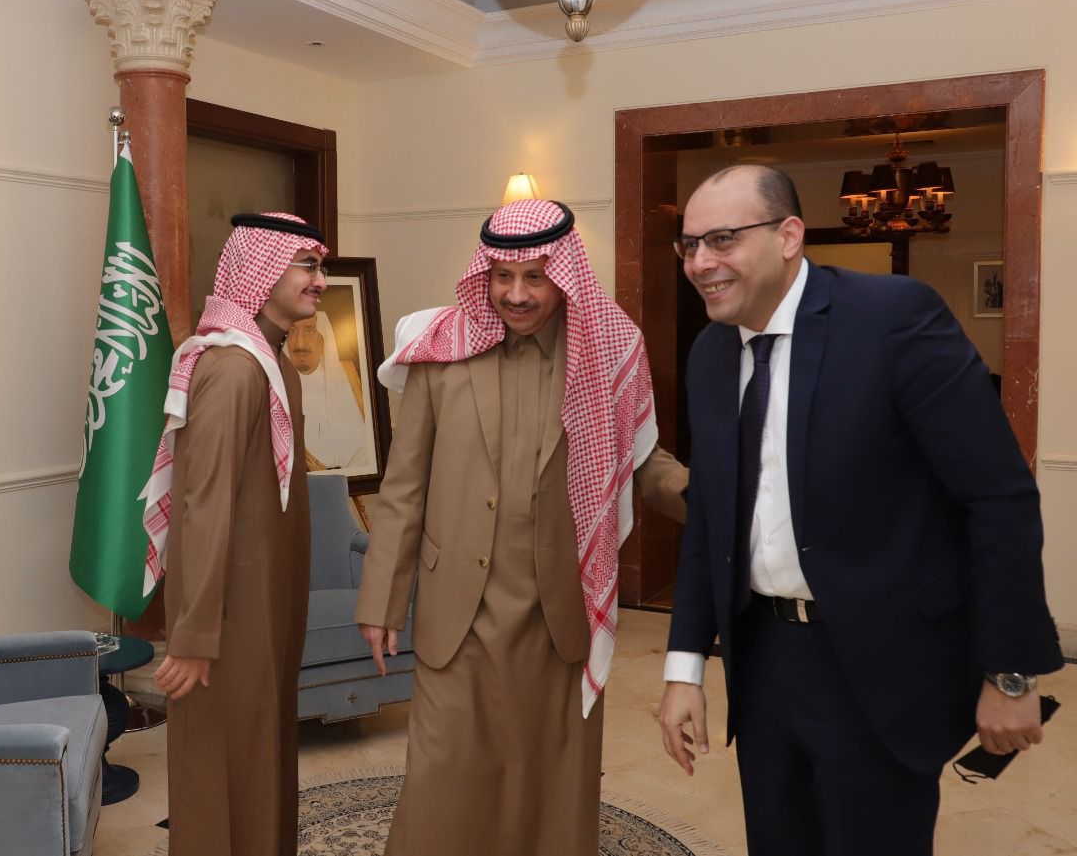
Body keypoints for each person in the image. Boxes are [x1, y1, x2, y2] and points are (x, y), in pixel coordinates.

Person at [657, 165, 1062, 856]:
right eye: (689, 245)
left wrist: (1010, 671)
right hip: (763, 662)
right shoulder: (710, 355)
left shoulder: (893, 319)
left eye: (722, 239)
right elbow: (710, 521)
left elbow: (996, 498)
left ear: (789, 235)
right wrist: (684, 666)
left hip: (883, 666)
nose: (700, 262)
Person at [355, 199, 688, 856]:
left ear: (562, 275)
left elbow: (642, 461)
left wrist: (726, 505)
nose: (516, 294)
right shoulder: (440, 350)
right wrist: (381, 600)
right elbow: (403, 487)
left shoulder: (604, 349)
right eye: (502, 277)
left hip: (555, 610)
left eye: (535, 277)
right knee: (444, 782)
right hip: (458, 609)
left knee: (549, 787)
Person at [142, 212, 328, 856]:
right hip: (227, 616)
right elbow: (202, 504)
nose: (319, 280)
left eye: (320, 266)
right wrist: (195, 636)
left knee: (260, 756)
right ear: (261, 270)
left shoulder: (274, 365)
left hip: (263, 603)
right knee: (221, 772)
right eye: (306, 265)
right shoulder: (232, 368)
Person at [285, 311, 370, 471]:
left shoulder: (350, 378)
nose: (299, 343)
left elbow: (367, 447)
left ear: (323, 340)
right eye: (292, 331)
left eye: (309, 331)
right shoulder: (274, 389)